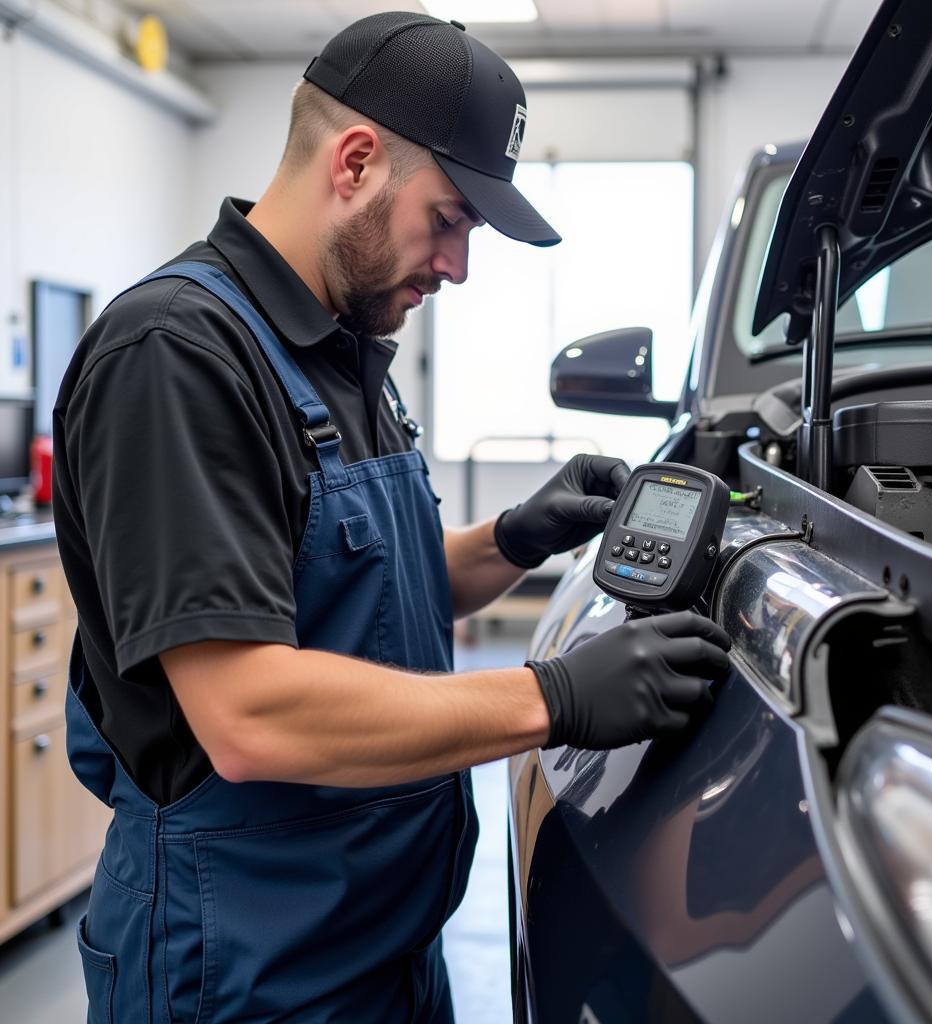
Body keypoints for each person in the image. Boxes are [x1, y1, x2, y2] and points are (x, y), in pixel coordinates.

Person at [52, 12, 732, 1023]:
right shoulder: (177, 357)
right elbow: (247, 709)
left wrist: (513, 540)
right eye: (450, 218)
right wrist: (554, 696)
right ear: (357, 162)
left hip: (380, 946)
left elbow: (361, 586)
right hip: (243, 966)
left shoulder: (342, 345)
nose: (456, 265)